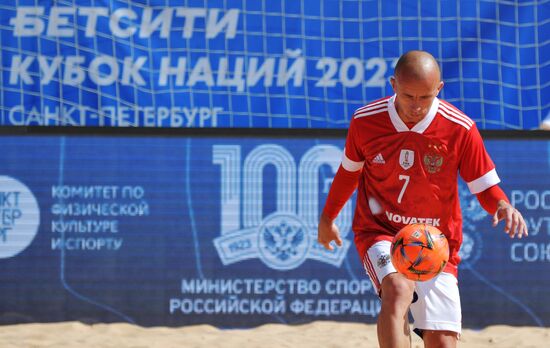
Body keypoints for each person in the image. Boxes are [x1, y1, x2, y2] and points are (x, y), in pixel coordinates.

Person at [317, 50, 528, 348]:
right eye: (408, 96)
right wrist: (327, 218)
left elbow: (483, 185)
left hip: (436, 242)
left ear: (439, 89)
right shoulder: (366, 121)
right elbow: (348, 174)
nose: (416, 106)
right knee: (398, 288)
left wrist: (502, 204)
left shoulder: (460, 127)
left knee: (441, 341)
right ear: (393, 85)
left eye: (425, 97)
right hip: (382, 231)